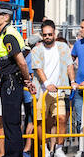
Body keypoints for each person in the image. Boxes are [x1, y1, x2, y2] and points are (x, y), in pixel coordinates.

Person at [0, 6, 33, 157]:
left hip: (11, 82)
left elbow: (22, 62)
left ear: (6, 17)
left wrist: (27, 80)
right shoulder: (5, 34)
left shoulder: (8, 36)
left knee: (11, 124)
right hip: (10, 82)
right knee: (9, 123)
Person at [30, 20, 73, 157]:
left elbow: (69, 65)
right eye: (44, 35)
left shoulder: (63, 47)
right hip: (42, 90)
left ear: (54, 33)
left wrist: (73, 81)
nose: (47, 37)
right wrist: (47, 83)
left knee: (61, 118)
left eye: (49, 34)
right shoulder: (37, 49)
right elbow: (38, 69)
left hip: (59, 90)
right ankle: (44, 147)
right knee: (40, 122)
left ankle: (59, 147)